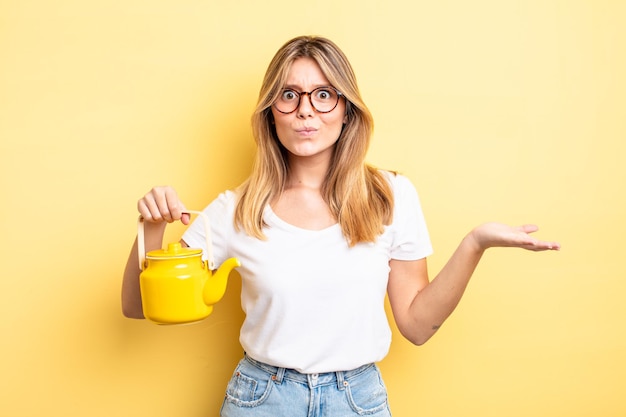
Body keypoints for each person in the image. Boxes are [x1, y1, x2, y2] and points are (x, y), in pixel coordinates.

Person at [122, 35, 560, 417]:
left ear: (347, 110)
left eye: (324, 95)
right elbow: (138, 306)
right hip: (261, 401)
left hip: (358, 401)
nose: (305, 111)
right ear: (271, 113)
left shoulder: (391, 196)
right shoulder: (236, 209)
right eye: (289, 95)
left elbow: (416, 325)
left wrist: (474, 244)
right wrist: (151, 228)